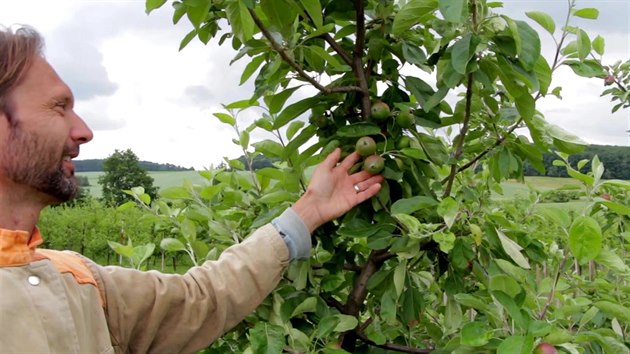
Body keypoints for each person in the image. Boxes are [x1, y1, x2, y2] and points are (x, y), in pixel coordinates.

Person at [0, 26, 383, 353]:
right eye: (58, 107)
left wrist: (308, 212)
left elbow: (198, 299)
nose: (84, 130)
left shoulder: (78, 281)